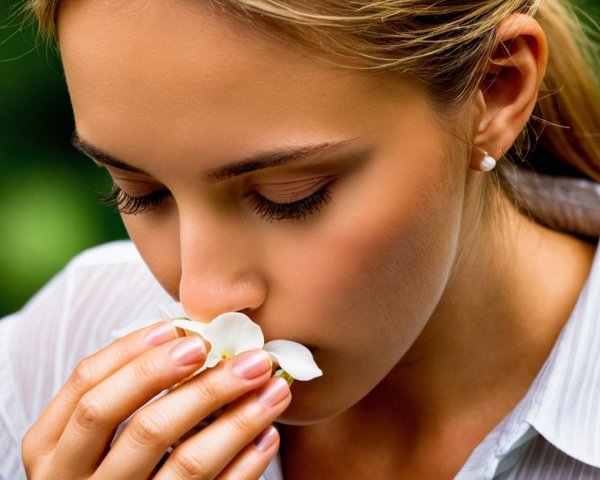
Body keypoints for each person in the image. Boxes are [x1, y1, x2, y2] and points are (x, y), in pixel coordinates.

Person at [2, 0, 600, 478]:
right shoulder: (57, 352)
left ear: (495, 89)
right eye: (140, 192)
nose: (203, 298)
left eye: (290, 195)